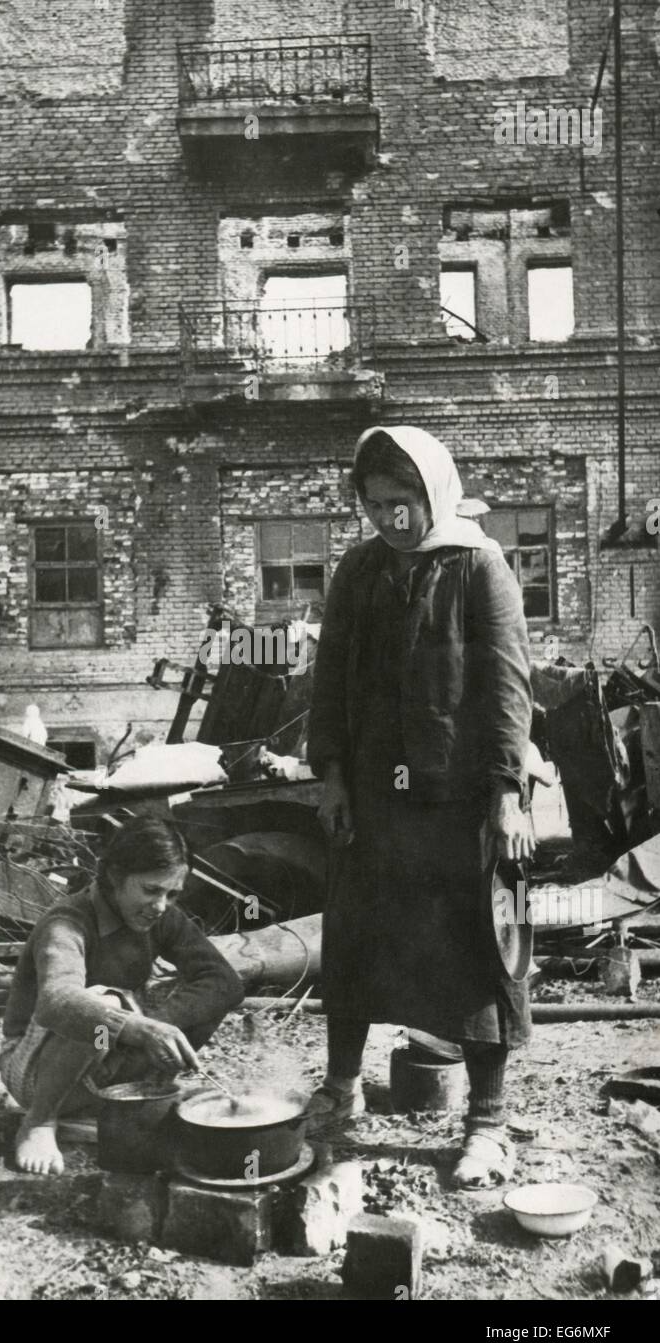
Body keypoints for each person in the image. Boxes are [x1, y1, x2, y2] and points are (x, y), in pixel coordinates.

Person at [306, 425, 535, 1187]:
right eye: (374, 504)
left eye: (402, 503)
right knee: (356, 945)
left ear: (433, 493)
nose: (389, 519)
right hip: (373, 802)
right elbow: (330, 682)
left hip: (460, 804)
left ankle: (487, 1124)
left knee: (476, 955)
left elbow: (507, 689)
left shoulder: (479, 567)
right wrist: (332, 777)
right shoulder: (360, 572)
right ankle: (340, 1094)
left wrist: (507, 794)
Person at [0, 815, 245, 1175]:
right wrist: (139, 1029)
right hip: (33, 1070)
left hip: (101, 1067)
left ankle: (129, 1096)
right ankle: (38, 1122)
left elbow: (224, 981)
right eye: (150, 890)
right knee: (101, 1006)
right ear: (114, 877)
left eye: (172, 894)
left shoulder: (159, 916)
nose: (160, 905)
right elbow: (56, 1002)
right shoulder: (67, 921)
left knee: (204, 998)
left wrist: (158, 1026)